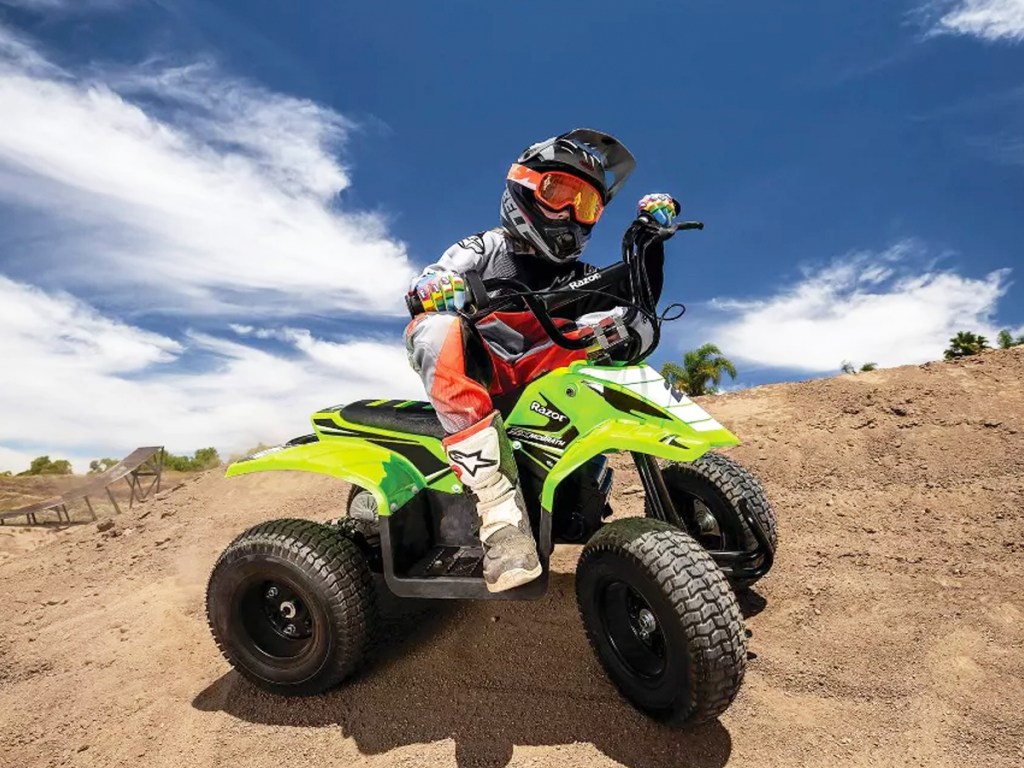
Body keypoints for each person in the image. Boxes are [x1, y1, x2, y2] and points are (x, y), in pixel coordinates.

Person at [404, 128, 679, 592]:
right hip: (488, 372)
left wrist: (651, 241)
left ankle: (594, 479)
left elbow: (638, 300)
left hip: (546, 368)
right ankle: (499, 515)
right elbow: (430, 280)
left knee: (630, 322)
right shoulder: (487, 248)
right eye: (560, 193)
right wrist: (433, 290)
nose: (572, 214)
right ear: (525, 189)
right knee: (431, 329)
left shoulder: (582, 276)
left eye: (587, 205)